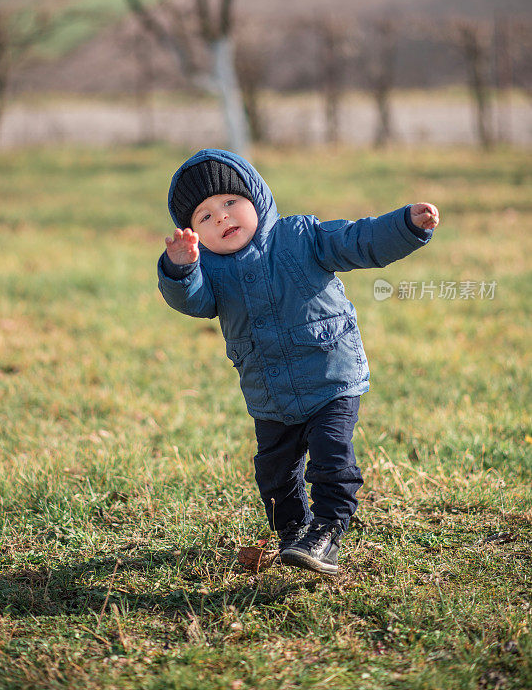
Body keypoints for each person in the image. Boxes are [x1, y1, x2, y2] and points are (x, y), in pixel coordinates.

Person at [157, 148, 439, 575]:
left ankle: (327, 530)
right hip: (269, 391)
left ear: (256, 197)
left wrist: (405, 225)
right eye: (205, 217)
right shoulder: (208, 270)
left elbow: (358, 240)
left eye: (231, 203)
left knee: (330, 457)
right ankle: (294, 532)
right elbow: (194, 302)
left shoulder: (300, 236)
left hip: (330, 374)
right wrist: (180, 270)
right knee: (273, 475)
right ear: (192, 231)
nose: (222, 219)